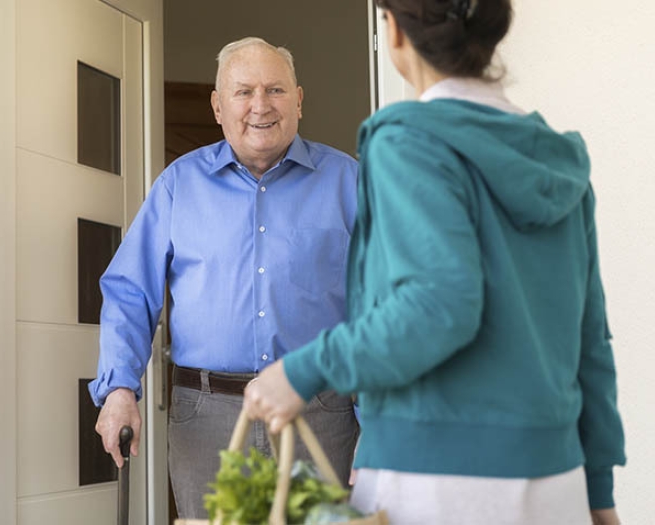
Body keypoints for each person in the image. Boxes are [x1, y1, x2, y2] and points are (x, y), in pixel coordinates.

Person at [243, 2, 626, 524]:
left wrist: (302, 370)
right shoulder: (554, 158)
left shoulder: (408, 140)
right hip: (555, 479)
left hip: (435, 476)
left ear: (395, 31)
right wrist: (598, 492)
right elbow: (590, 341)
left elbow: (439, 305)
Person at [88, 36, 359, 519]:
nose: (260, 106)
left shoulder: (349, 182)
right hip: (205, 416)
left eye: (275, 90)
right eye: (243, 92)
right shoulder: (178, 184)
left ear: (298, 100)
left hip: (318, 410)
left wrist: (378, 426)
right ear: (217, 106)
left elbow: (380, 308)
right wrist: (120, 388)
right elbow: (131, 292)